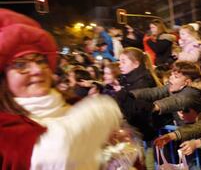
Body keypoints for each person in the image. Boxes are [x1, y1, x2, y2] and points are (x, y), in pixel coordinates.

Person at [0, 9, 122, 169]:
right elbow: (54, 155)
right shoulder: (4, 127)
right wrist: (105, 110)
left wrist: (120, 155)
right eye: (21, 65)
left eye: (40, 60)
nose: (37, 70)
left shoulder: (74, 104)